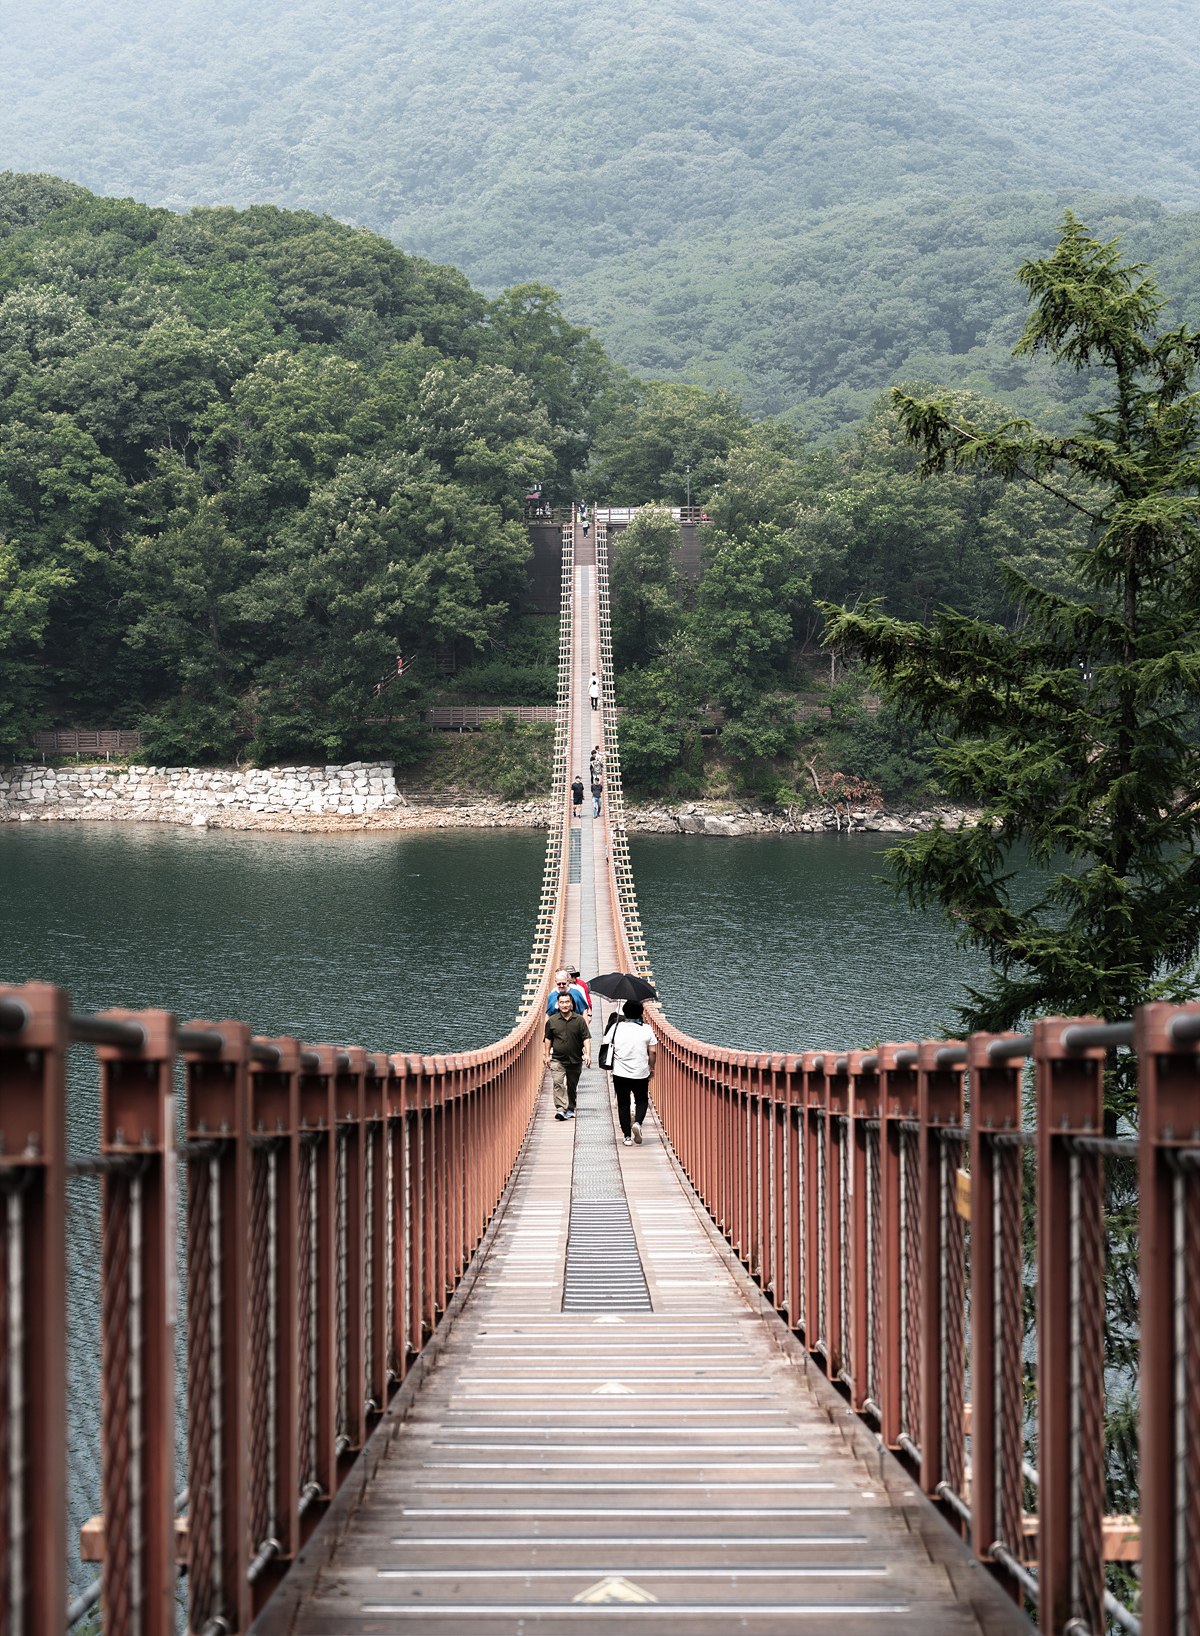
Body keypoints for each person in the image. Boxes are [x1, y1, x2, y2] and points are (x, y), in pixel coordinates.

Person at [606, 999, 657, 1146]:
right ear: (641, 1013)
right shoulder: (646, 1029)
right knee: (641, 1100)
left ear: (624, 1012)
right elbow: (652, 1051)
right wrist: (651, 1067)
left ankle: (627, 1137)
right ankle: (638, 1124)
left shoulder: (616, 1027)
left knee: (623, 1103)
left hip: (620, 1072)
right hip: (640, 1072)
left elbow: (605, 1042)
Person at [544, 987, 590, 1120]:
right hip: (557, 1059)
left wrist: (587, 1054)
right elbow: (548, 1039)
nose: (564, 1005)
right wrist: (546, 1056)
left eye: (567, 1002)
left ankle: (570, 1108)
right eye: (562, 1002)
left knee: (571, 1086)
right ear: (557, 1004)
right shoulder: (552, 1021)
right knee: (558, 1082)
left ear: (571, 1004)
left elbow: (586, 1038)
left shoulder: (579, 1020)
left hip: (575, 1059)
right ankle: (560, 1109)